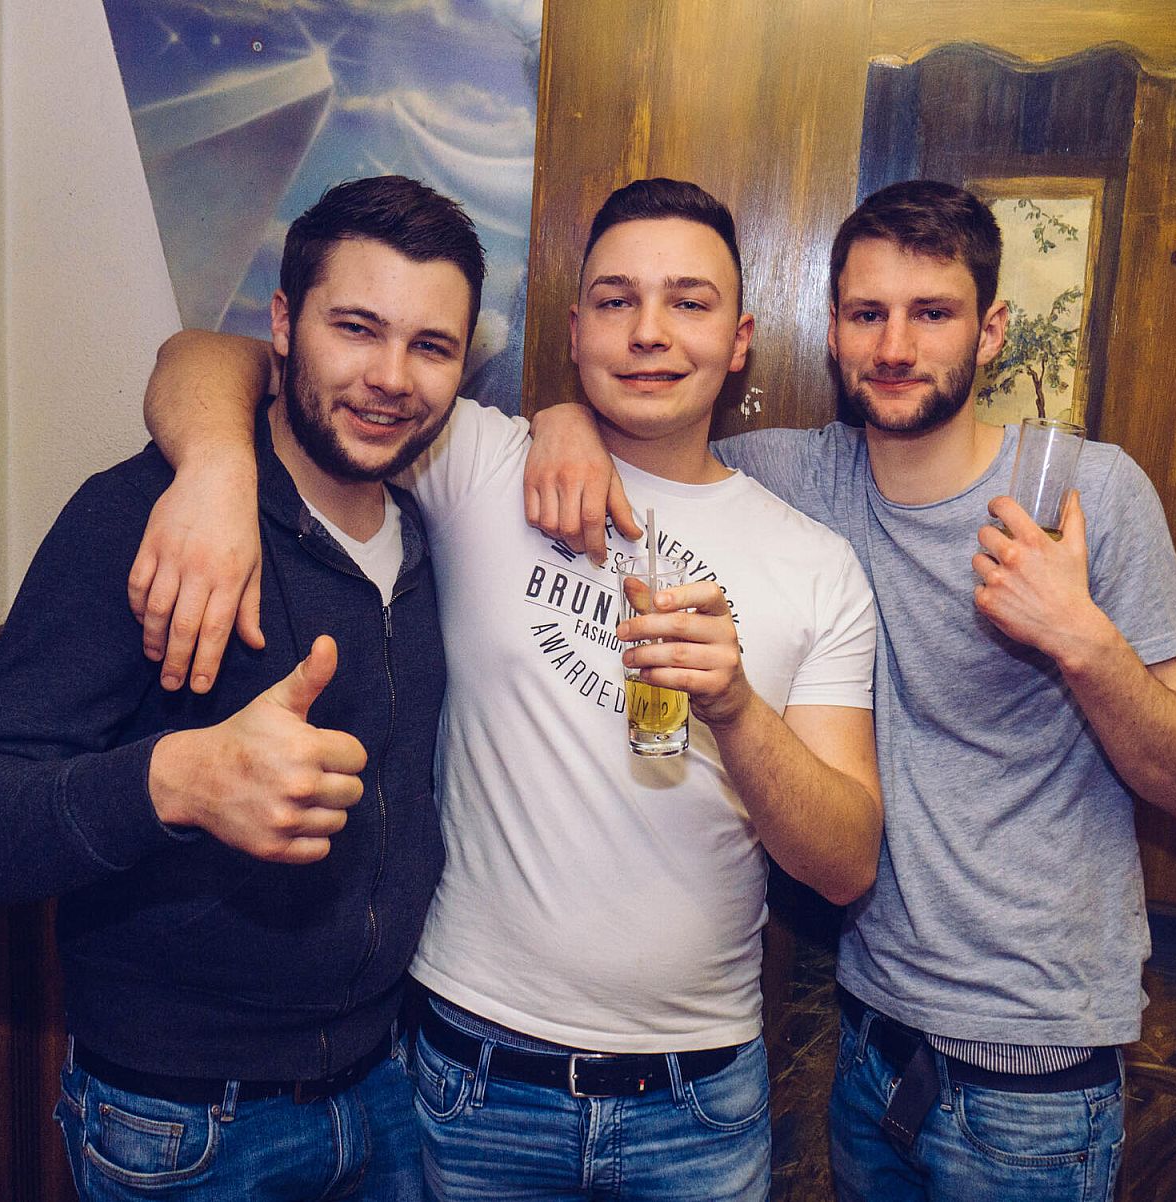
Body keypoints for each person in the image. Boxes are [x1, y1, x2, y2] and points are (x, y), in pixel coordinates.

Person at [128, 178, 884, 1201]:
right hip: (469, 1082)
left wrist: (736, 708)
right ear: (574, 332)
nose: (649, 331)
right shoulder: (477, 459)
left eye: (689, 302)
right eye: (616, 300)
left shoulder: (817, 566)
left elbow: (843, 864)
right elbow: (202, 357)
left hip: (696, 1101)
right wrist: (216, 467)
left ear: (739, 338)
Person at [522, 179, 1176, 1201]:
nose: (895, 346)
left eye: (932, 313)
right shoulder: (795, 481)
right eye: (868, 314)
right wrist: (563, 420)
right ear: (831, 332)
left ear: (991, 330)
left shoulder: (1089, 494)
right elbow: (653, 434)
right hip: (867, 1042)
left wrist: (1081, 639)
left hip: (1033, 1074)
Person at [0, 174, 485, 1201]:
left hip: (389, 1092)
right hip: (183, 1125)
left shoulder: (439, 533)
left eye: (431, 346)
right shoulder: (154, 515)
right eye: (356, 327)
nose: (391, 377)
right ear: (283, 325)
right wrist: (178, 779)